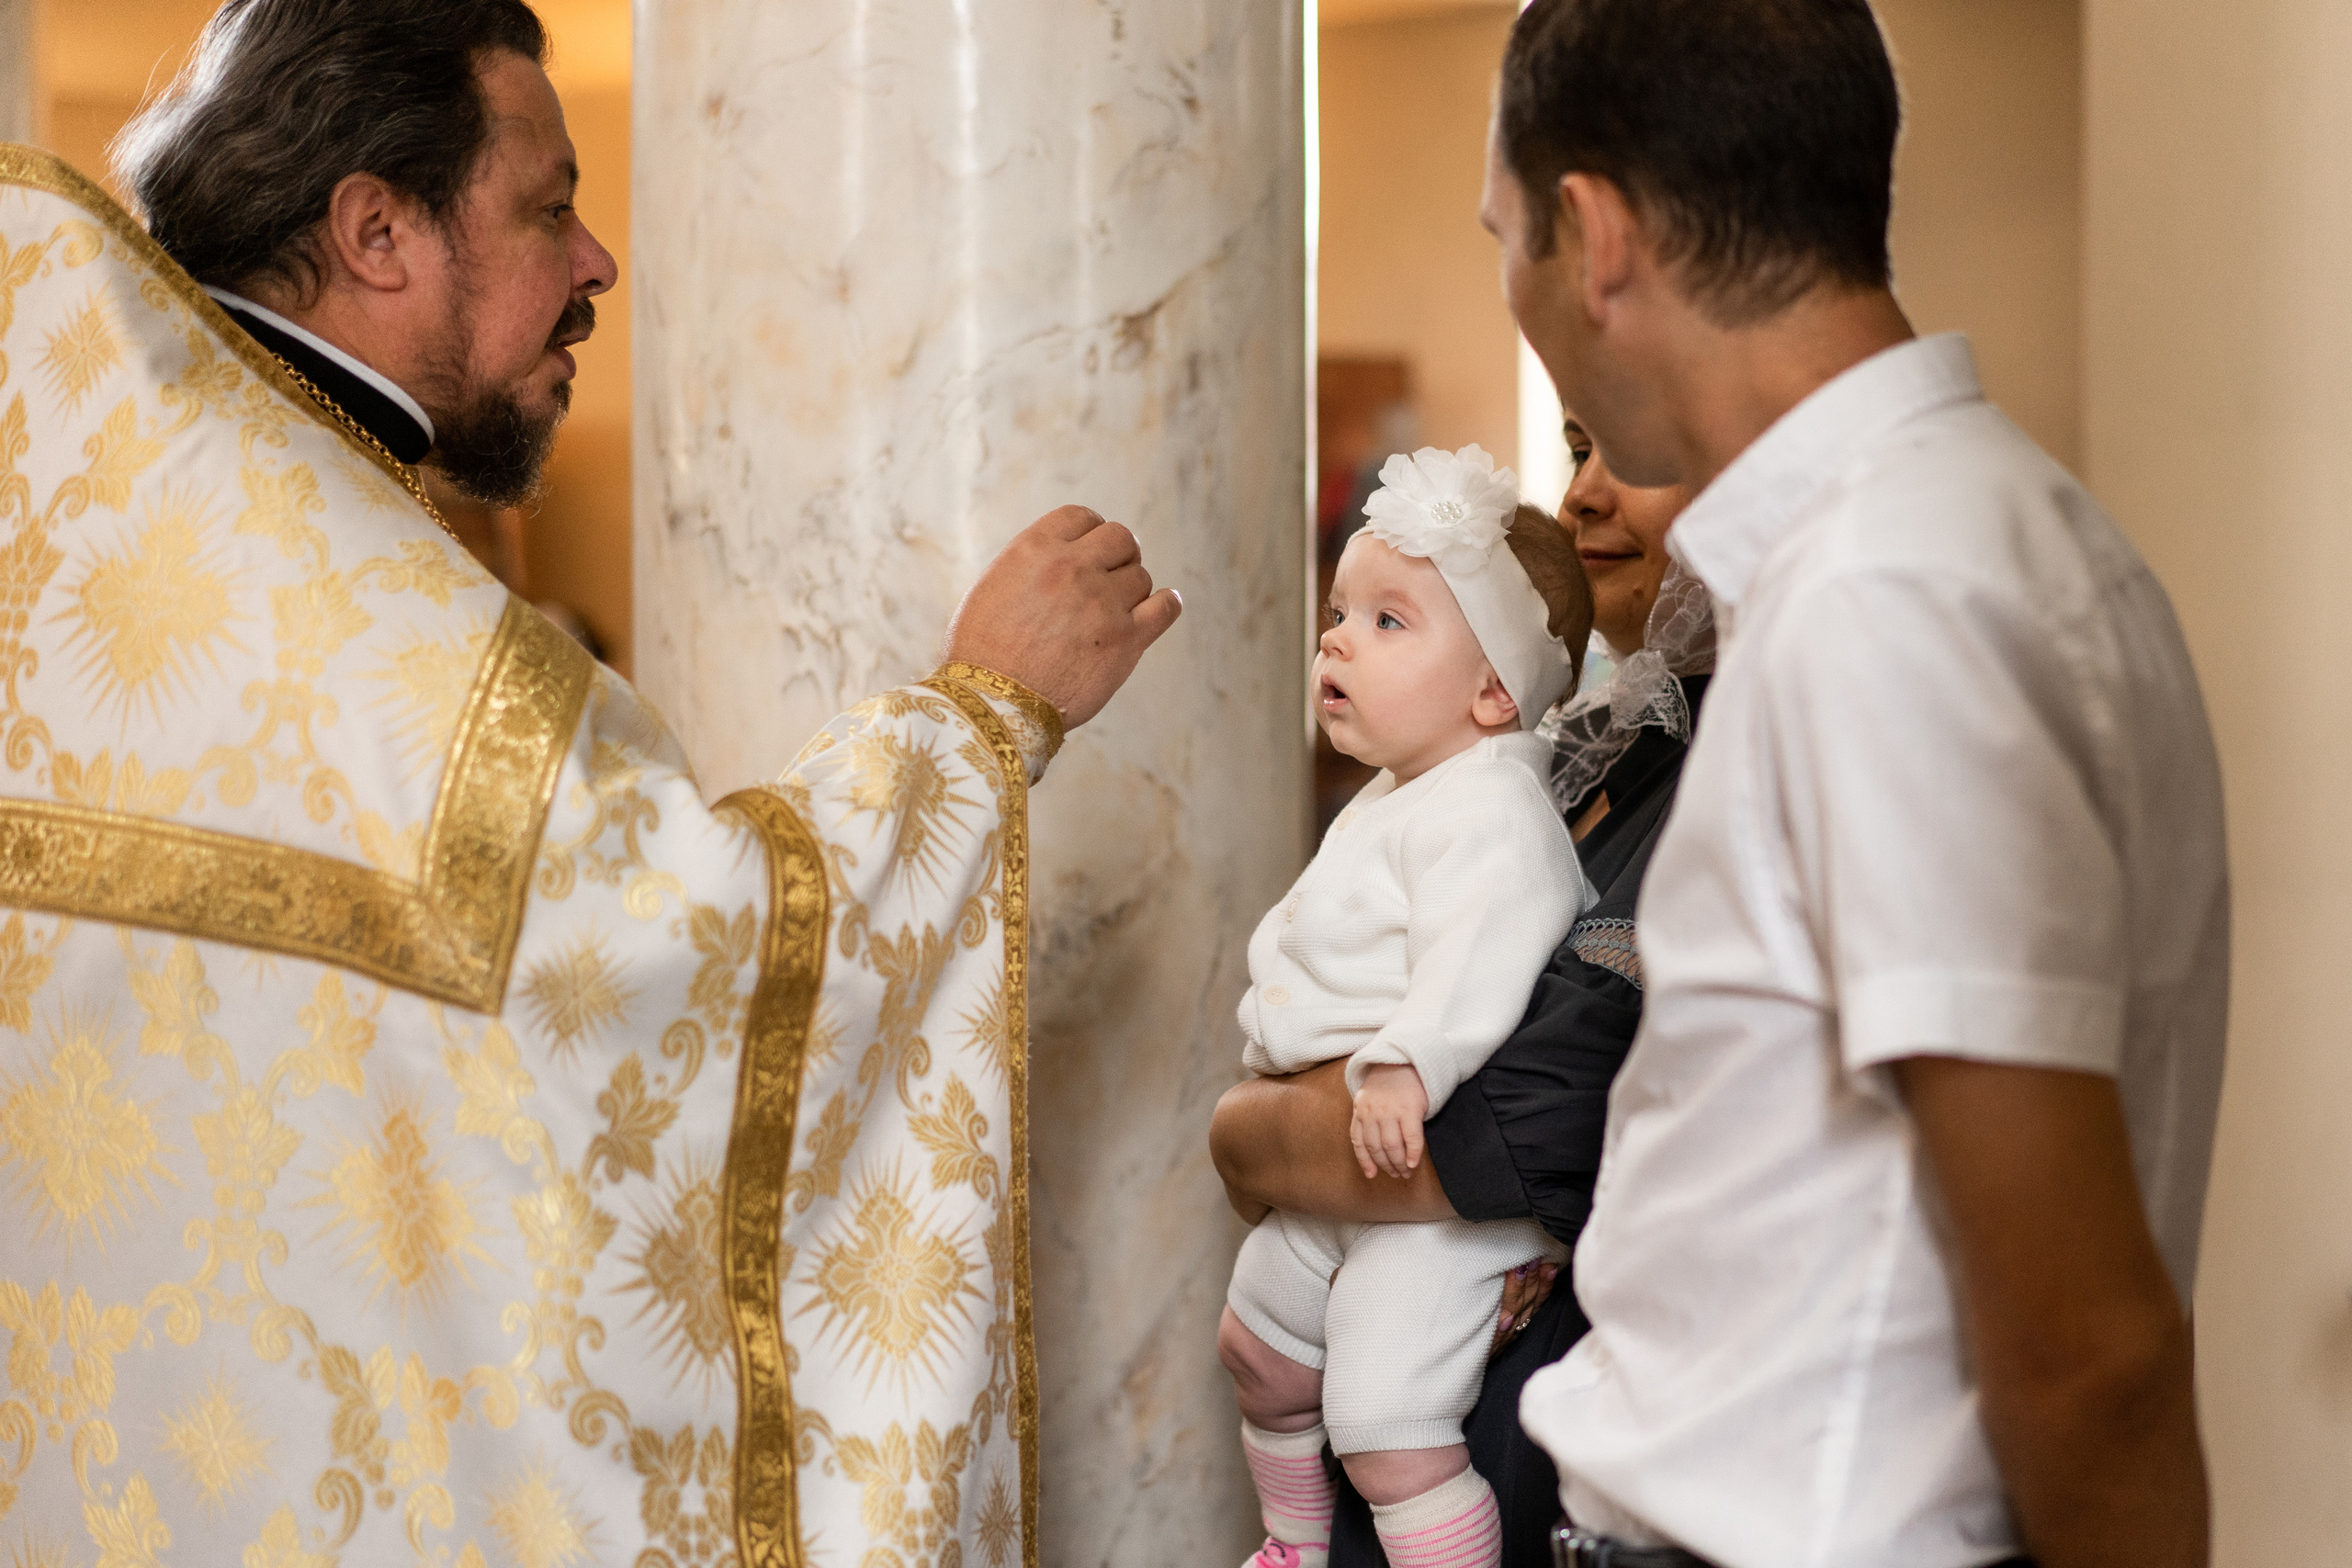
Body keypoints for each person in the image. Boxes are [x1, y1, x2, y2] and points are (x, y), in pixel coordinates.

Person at [0, 3, 1176, 1565]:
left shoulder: (88, 546)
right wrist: (984, 716)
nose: (598, 259)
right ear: (376, 229)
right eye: (548, 206)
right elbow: (697, 955)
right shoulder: (362, 624)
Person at [1489, 4, 2226, 1567]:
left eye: (1508, 237)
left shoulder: (1889, 590)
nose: (1516, 287)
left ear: (1592, 232)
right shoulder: (1963, 536)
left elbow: (2089, 1348)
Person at [1213, 450, 1710, 1568]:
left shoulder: (1514, 800)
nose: (1582, 490)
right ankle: (1287, 1545)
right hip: (1374, 1204)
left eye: (1388, 622)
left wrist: (1261, 1126)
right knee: (1258, 1350)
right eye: (1344, 614)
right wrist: (1259, 1124)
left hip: (1486, 1309)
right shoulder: (1502, 769)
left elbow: (1523, 1117)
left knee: (1389, 1415)